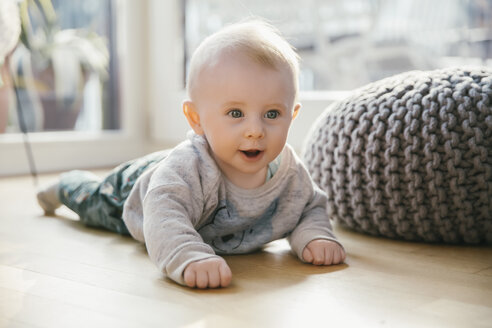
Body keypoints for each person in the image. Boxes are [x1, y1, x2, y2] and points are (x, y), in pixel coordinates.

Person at [37, 20, 346, 289]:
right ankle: (67, 185)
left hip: (174, 173)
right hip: (133, 189)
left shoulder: (289, 172)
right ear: (196, 118)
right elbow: (164, 214)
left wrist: (315, 236)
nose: (255, 130)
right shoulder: (187, 170)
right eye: (236, 112)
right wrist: (187, 255)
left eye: (272, 114)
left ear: (293, 115)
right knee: (91, 201)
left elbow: (311, 206)